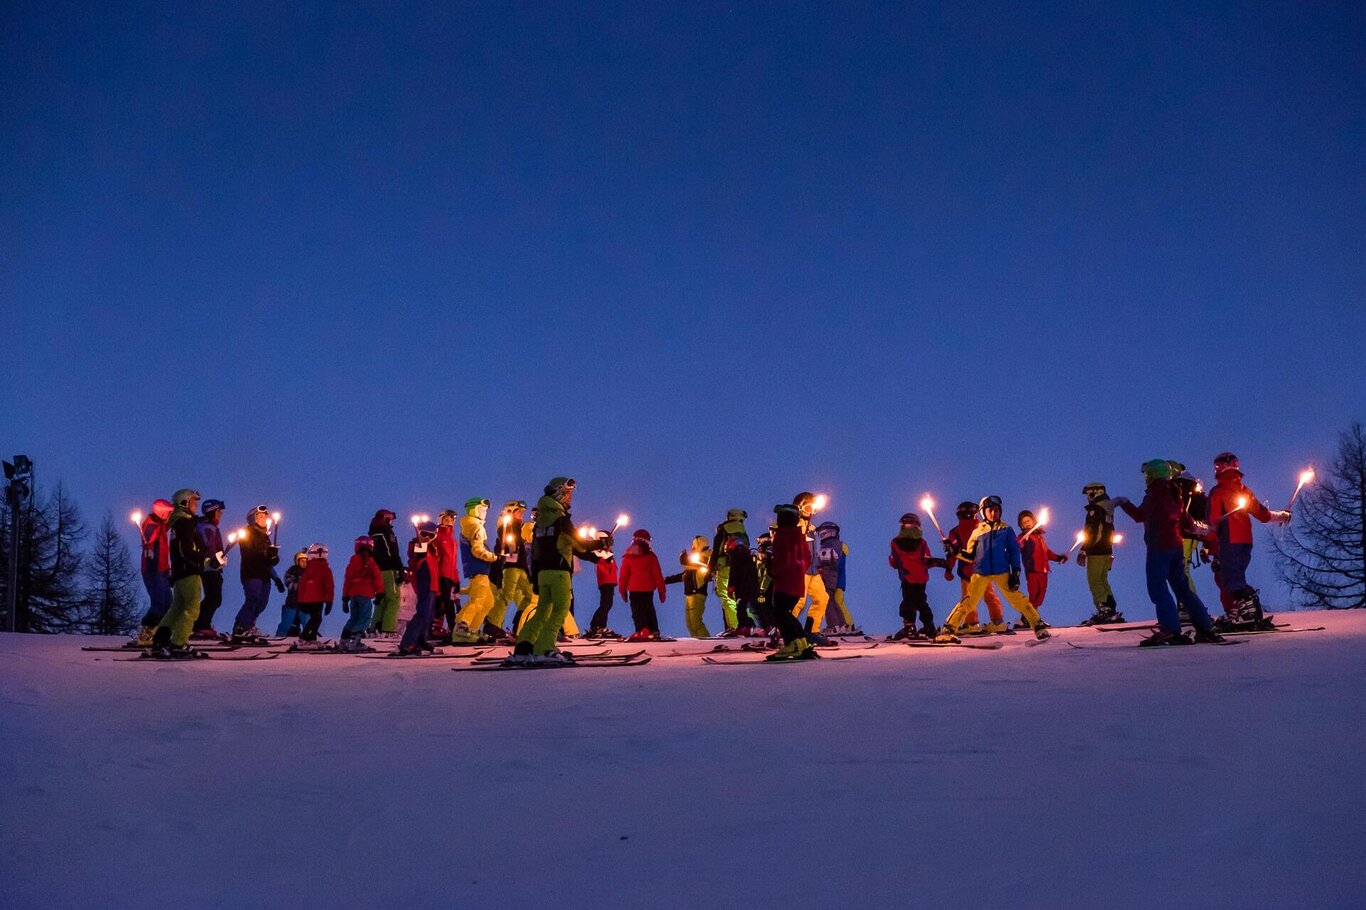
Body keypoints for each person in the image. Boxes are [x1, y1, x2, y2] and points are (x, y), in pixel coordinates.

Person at [1115, 460, 1224, 645]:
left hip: (1159, 547)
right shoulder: (1175, 494)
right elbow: (1187, 523)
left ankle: (1170, 629)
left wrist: (1123, 503)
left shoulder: (1154, 494)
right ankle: (1205, 627)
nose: (1145, 479)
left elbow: (1139, 516)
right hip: (1176, 547)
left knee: (1157, 588)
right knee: (1182, 588)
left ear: (1152, 475)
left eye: (1146, 475)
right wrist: (1204, 530)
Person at [508, 477, 606, 665]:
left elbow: (535, 551)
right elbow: (578, 545)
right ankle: (545, 649)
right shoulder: (561, 520)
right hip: (559, 572)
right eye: (568, 494)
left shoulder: (540, 522)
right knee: (560, 610)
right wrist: (600, 544)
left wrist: (535, 577)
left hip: (543, 573)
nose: (570, 499)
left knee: (542, 612)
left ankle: (523, 649)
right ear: (560, 494)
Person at [936, 496, 1049, 643]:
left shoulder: (1006, 530)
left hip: (1001, 571)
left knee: (1018, 600)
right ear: (983, 512)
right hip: (980, 573)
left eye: (996, 510)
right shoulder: (977, 532)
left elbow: (1014, 551)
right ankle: (948, 630)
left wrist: (1015, 571)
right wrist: (955, 551)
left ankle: (1038, 627)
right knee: (968, 601)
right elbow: (970, 556)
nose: (994, 513)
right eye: (990, 510)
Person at [1207, 452, 1291, 630]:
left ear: (1218, 469)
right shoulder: (1244, 490)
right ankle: (1240, 611)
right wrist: (1281, 516)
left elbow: (1213, 522)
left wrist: (1209, 546)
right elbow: (1263, 514)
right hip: (1246, 541)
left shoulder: (1218, 492)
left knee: (1230, 578)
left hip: (1229, 540)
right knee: (1236, 575)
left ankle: (1249, 612)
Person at [149, 489, 213, 658]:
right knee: (192, 609)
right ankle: (179, 643)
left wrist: (207, 557)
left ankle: (160, 640)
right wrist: (202, 560)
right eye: (193, 502)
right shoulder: (185, 522)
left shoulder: (179, 522)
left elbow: (186, 548)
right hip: (189, 572)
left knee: (176, 609)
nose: (196, 505)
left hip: (180, 572)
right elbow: (185, 550)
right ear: (184, 503)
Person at [944, 500, 1005, 634]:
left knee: (968, 598)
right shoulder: (984, 527)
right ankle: (998, 621)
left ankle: (972, 623)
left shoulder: (955, 532)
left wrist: (949, 569)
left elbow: (952, 554)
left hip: (967, 570)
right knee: (989, 595)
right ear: (975, 514)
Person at [766, 504, 818, 660]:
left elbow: (783, 559)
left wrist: (773, 571)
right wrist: (799, 570)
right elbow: (807, 558)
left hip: (784, 582)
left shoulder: (782, 536)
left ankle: (792, 644)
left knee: (780, 613)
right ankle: (802, 642)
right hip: (796, 582)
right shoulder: (799, 536)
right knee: (785, 613)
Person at [887, 513, 945, 639]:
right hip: (920, 578)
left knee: (908, 601)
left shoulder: (895, 543)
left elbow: (894, 562)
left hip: (907, 578)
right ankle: (929, 626)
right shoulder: (922, 543)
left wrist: (898, 564)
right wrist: (940, 562)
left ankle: (909, 627)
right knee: (921, 602)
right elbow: (927, 560)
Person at [451, 498, 501, 643]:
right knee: (479, 600)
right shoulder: (476, 526)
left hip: (476, 569)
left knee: (488, 602)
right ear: (474, 510)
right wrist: (494, 557)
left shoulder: (468, 525)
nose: (484, 513)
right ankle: (463, 628)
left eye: (485, 510)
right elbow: (477, 550)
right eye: (482, 510)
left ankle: (471, 629)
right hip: (479, 568)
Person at [232, 504, 283, 644]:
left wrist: (276, 576)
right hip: (251, 572)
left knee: (261, 603)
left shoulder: (265, 537)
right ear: (253, 519)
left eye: (265, 516)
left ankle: (249, 625)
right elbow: (248, 553)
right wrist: (266, 554)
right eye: (260, 516)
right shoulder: (247, 533)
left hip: (264, 575)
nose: (263, 519)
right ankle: (240, 627)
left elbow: (269, 562)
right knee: (253, 598)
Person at [1077, 483, 1124, 625]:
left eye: (1089, 494)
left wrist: (1084, 550)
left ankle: (1104, 609)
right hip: (1106, 550)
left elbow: (1092, 532)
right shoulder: (1107, 509)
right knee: (1103, 580)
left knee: (1095, 581)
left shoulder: (1096, 510)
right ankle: (1110, 608)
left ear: (1096, 493)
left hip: (1096, 551)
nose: (1088, 498)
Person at [132, 499, 174, 647]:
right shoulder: (151, 524)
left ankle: (159, 634)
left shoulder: (161, 524)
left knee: (168, 603)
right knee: (159, 603)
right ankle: (146, 634)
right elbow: (148, 539)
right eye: (168, 512)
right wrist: (148, 548)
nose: (169, 515)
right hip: (153, 570)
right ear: (161, 513)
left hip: (161, 569)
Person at [398, 521, 443, 656]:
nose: (427, 538)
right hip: (424, 583)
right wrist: (420, 549)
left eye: (431, 536)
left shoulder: (432, 549)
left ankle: (421, 639)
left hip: (432, 585)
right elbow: (415, 561)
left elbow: (435, 570)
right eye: (424, 535)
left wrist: (438, 590)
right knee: (422, 614)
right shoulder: (418, 545)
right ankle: (407, 643)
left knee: (429, 615)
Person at [489, 500, 532, 642]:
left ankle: (519, 623)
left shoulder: (520, 527)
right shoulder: (506, 526)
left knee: (530, 595)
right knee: (506, 595)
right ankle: (492, 625)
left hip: (521, 566)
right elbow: (503, 544)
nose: (522, 514)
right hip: (511, 566)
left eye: (522, 512)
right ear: (511, 512)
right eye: (519, 511)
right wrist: (507, 548)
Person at [619, 529, 668, 641]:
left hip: (634, 590)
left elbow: (623, 576)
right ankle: (653, 630)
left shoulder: (628, 556)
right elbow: (657, 574)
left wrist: (622, 590)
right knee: (649, 609)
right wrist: (662, 591)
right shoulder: (651, 556)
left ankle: (642, 630)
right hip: (648, 589)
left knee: (637, 612)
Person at [191, 498, 229, 640]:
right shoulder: (206, 527)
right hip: (209, 568)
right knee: (214, 597)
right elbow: (208, 547)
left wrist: (221, 560)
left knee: (213, 597)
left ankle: (202, 624)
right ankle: (201, 625)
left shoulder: (209, 526)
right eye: (219, 511)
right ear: (211, 511)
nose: (221, 514)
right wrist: (214, 560)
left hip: (213, 566)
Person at [1017, 510, 1066, 618]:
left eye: (1028, 521)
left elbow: (1047, 552)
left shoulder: (1039, 538)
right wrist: (1020, 543)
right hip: (1033, 570)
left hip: (1043, 571)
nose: (1027, 523)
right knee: (1033, 594)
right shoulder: (1024, 537)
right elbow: (1018, 544)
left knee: (1040, 596)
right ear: (1021, 526)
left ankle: (1033, 616)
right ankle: (1026, 617)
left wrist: (1059, 558)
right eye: (1024, 523)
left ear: (1033, 521)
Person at [709, 509, 750, 632]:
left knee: (726, 597)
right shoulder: (742, 530)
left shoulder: (724, 529)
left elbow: (716, 549)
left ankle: (735, 626)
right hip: (741, 566)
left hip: (724, 567)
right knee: (740, 597)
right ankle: (747, 625)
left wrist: (710, 568)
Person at [339, 536, 382, 652]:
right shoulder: (371, 562)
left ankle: (344, 641)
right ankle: (355, 640)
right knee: (365, 617)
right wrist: (380, 593)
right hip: (366, 594)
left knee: (354, 617)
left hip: (353, 594)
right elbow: (377, 578)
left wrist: (345, 597)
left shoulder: (352, 562)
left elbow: (347, 580)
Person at [367, 510, 405, 638]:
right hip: (389, 569)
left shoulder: (372, 533)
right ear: (386, 519)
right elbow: (392, 552)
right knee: (393, 599)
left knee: (381, 599)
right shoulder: (386, 532)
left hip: (377, 569)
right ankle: (388, 630)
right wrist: (399, 568)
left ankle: (374, 628)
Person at [665, 535, 711, 638]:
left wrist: (683, 556)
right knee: (689, 624)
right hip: (689, 594)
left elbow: (685, 563)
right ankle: (696, 643)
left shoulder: (705, 557)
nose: (692, 548)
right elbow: (684, 575)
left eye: (694, 545)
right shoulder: (693, 564)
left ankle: (706, 641)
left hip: (697, 593)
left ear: (699, 544)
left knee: (696, 622)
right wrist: (665, 580)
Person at [294, 543, 335, 650]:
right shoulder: (325, 569)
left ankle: (311, 638)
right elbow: (329, 586)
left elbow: (302, 585)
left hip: (306, 599)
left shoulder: (308, 569)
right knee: (316, 618)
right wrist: (329, 601)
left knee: (314, 618)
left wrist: (300, 601)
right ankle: (304, 638)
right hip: (318, 599)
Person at [725, 537, 765, 637]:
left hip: (741, 587)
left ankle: (744, 627)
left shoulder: (736, 557)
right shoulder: (750, 556)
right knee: (755, 608)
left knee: (741, 607)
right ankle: (765, 628)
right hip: (752, 586)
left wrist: (730, 587)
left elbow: (733, 573)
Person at [587, 535, 623, 639]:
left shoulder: (606, 554)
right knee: (606, 604)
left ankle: (598, 625)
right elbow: (603, 563)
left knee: (607, 604)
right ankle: (598, 626)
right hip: (606, 581)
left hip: (608, 581)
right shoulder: (602, 554)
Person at [275, 551, 308, 637]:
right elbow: (289, 584)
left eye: (306, 561)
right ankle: (280, 637)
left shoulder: (309, 572)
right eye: (302, 561)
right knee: (286, 623)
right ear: (297, 561)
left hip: (305, 604)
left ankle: (309, 639)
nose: (304, 563)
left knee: (307, 624)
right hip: (292, 603)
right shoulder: (292, 571)